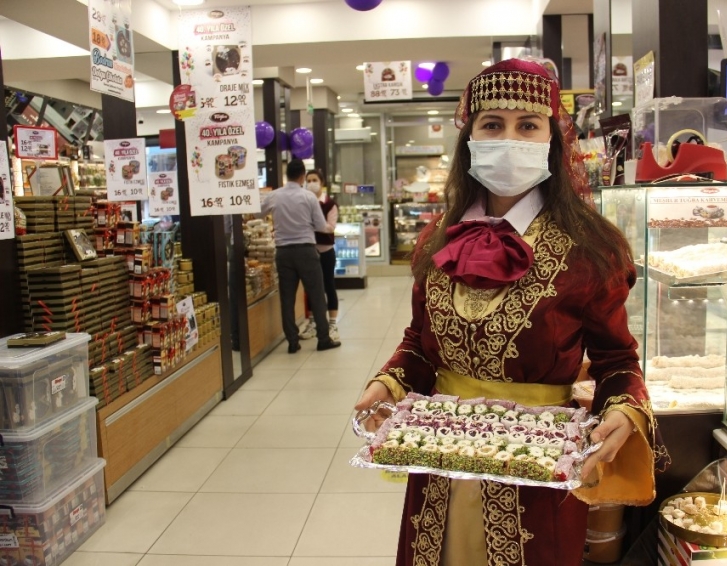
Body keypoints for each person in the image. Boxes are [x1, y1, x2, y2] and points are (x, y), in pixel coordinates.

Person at [353, 59, 668, 566]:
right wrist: (389, 382)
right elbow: (419, 341)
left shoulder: (591, 249)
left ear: (551, 138)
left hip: (537, 470)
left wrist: (623, 411)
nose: (510, 138)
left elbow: (618, 361)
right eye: (492, 125)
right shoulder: (437, 240)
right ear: (470, 137)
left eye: (527, 125)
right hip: (439, 461)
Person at [262, 158, 341, 353]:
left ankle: (292, 342)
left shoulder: (274, 196)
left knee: (287, 298)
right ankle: (323, 338)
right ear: (302, 176)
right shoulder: (308, 197)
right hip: (306, 250)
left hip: (283, 252)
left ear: (286, 175)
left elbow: (257, 214)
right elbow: (321, 225)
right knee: (316, 293)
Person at [298, 169, 340, 341]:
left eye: (315, 179)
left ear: (322, 182)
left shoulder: (330, 204)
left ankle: (332, 323)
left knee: (328, 285)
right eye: (309, 180)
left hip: (325, 251)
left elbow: (331, 226)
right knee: (310, 287)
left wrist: (315, 225)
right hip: (308, 250)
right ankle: (313, 323)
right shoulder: (303, 202)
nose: (312, 183)